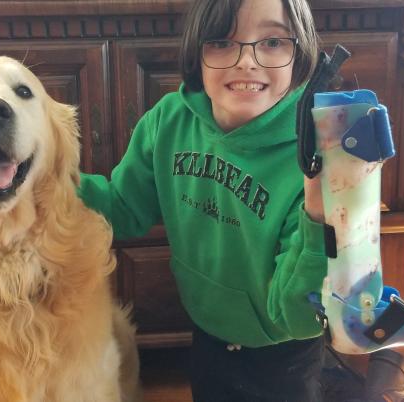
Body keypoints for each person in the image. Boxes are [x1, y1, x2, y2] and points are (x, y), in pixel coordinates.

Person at [77, 0, 326, 401]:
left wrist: (319, 211)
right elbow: (123, 210)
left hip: (286, 357)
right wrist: (48, 179)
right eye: (223, 42)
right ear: (198, 52)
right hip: (208, 337)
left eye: (274, 41)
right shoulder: (169, 120)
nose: (247, 61)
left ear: (301, 54)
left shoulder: (315, 150)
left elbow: (300, 316)